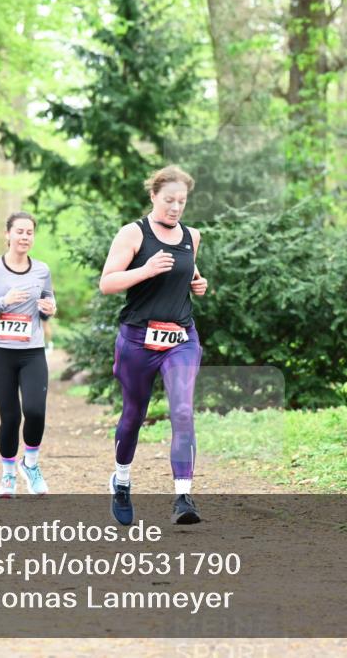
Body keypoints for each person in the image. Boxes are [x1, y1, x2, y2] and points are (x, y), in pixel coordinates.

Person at [99, 165, 208, 526]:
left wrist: (198, 282)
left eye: (182, 201)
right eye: (169, 201)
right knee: (134, 416)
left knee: (182, 411)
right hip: (138, 340)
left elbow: (187, 270)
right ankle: (122, 481)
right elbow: (108, 283)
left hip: (181, 338)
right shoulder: (133, 233)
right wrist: (145, 269)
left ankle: (183, 496)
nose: (176, 208)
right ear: (153, 196)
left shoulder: (192, 235)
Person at [0, 213, 57, 498]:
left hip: (31, 351)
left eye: (29, 232)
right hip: (0, 352)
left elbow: (48, 299)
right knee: (10, 416)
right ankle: (8, 476)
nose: (24, 237)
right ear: (7, 234)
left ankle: (30, 464)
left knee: (35, 410)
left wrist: (50, 308)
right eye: (19, 231)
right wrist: (3, 302)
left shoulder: (41, 269)